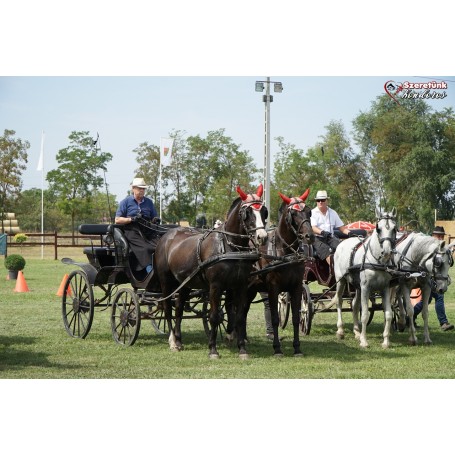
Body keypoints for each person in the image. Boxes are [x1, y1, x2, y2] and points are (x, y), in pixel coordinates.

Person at [115, 177, 159, 276]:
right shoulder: (125, 202)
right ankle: (150, 274)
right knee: (145, 248)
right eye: (140, 188)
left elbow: (154, 217)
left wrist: (156, 220)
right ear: (133, 189)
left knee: (159, 246)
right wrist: (131, 219)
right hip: (131, 230)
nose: (142, 190)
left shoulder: (149, 202)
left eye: (143, 189)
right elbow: (117, 220)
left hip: (147, 230)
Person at [412, 226, 454, 331]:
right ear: (433, 236)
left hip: (434, 278)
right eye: (438, 236)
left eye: (441, 236)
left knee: (428, 299)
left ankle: (410, 317)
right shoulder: (429, 248)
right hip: (426, 277)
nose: (440, 238)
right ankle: (443, 323)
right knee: (438, 297)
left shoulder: (441, 248)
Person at [311, 190, 351, 265]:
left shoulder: (333, 212)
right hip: (317, 239)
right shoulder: (312, 212)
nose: (320, 202)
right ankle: (334, 273)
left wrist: (350, 233)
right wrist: (322, 232)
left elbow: (342, 228)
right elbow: (313, 228)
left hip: (330, 238)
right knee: (327, 251)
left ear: (327, 201)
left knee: (343, 248)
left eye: (322, 200)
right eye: (318, 200)